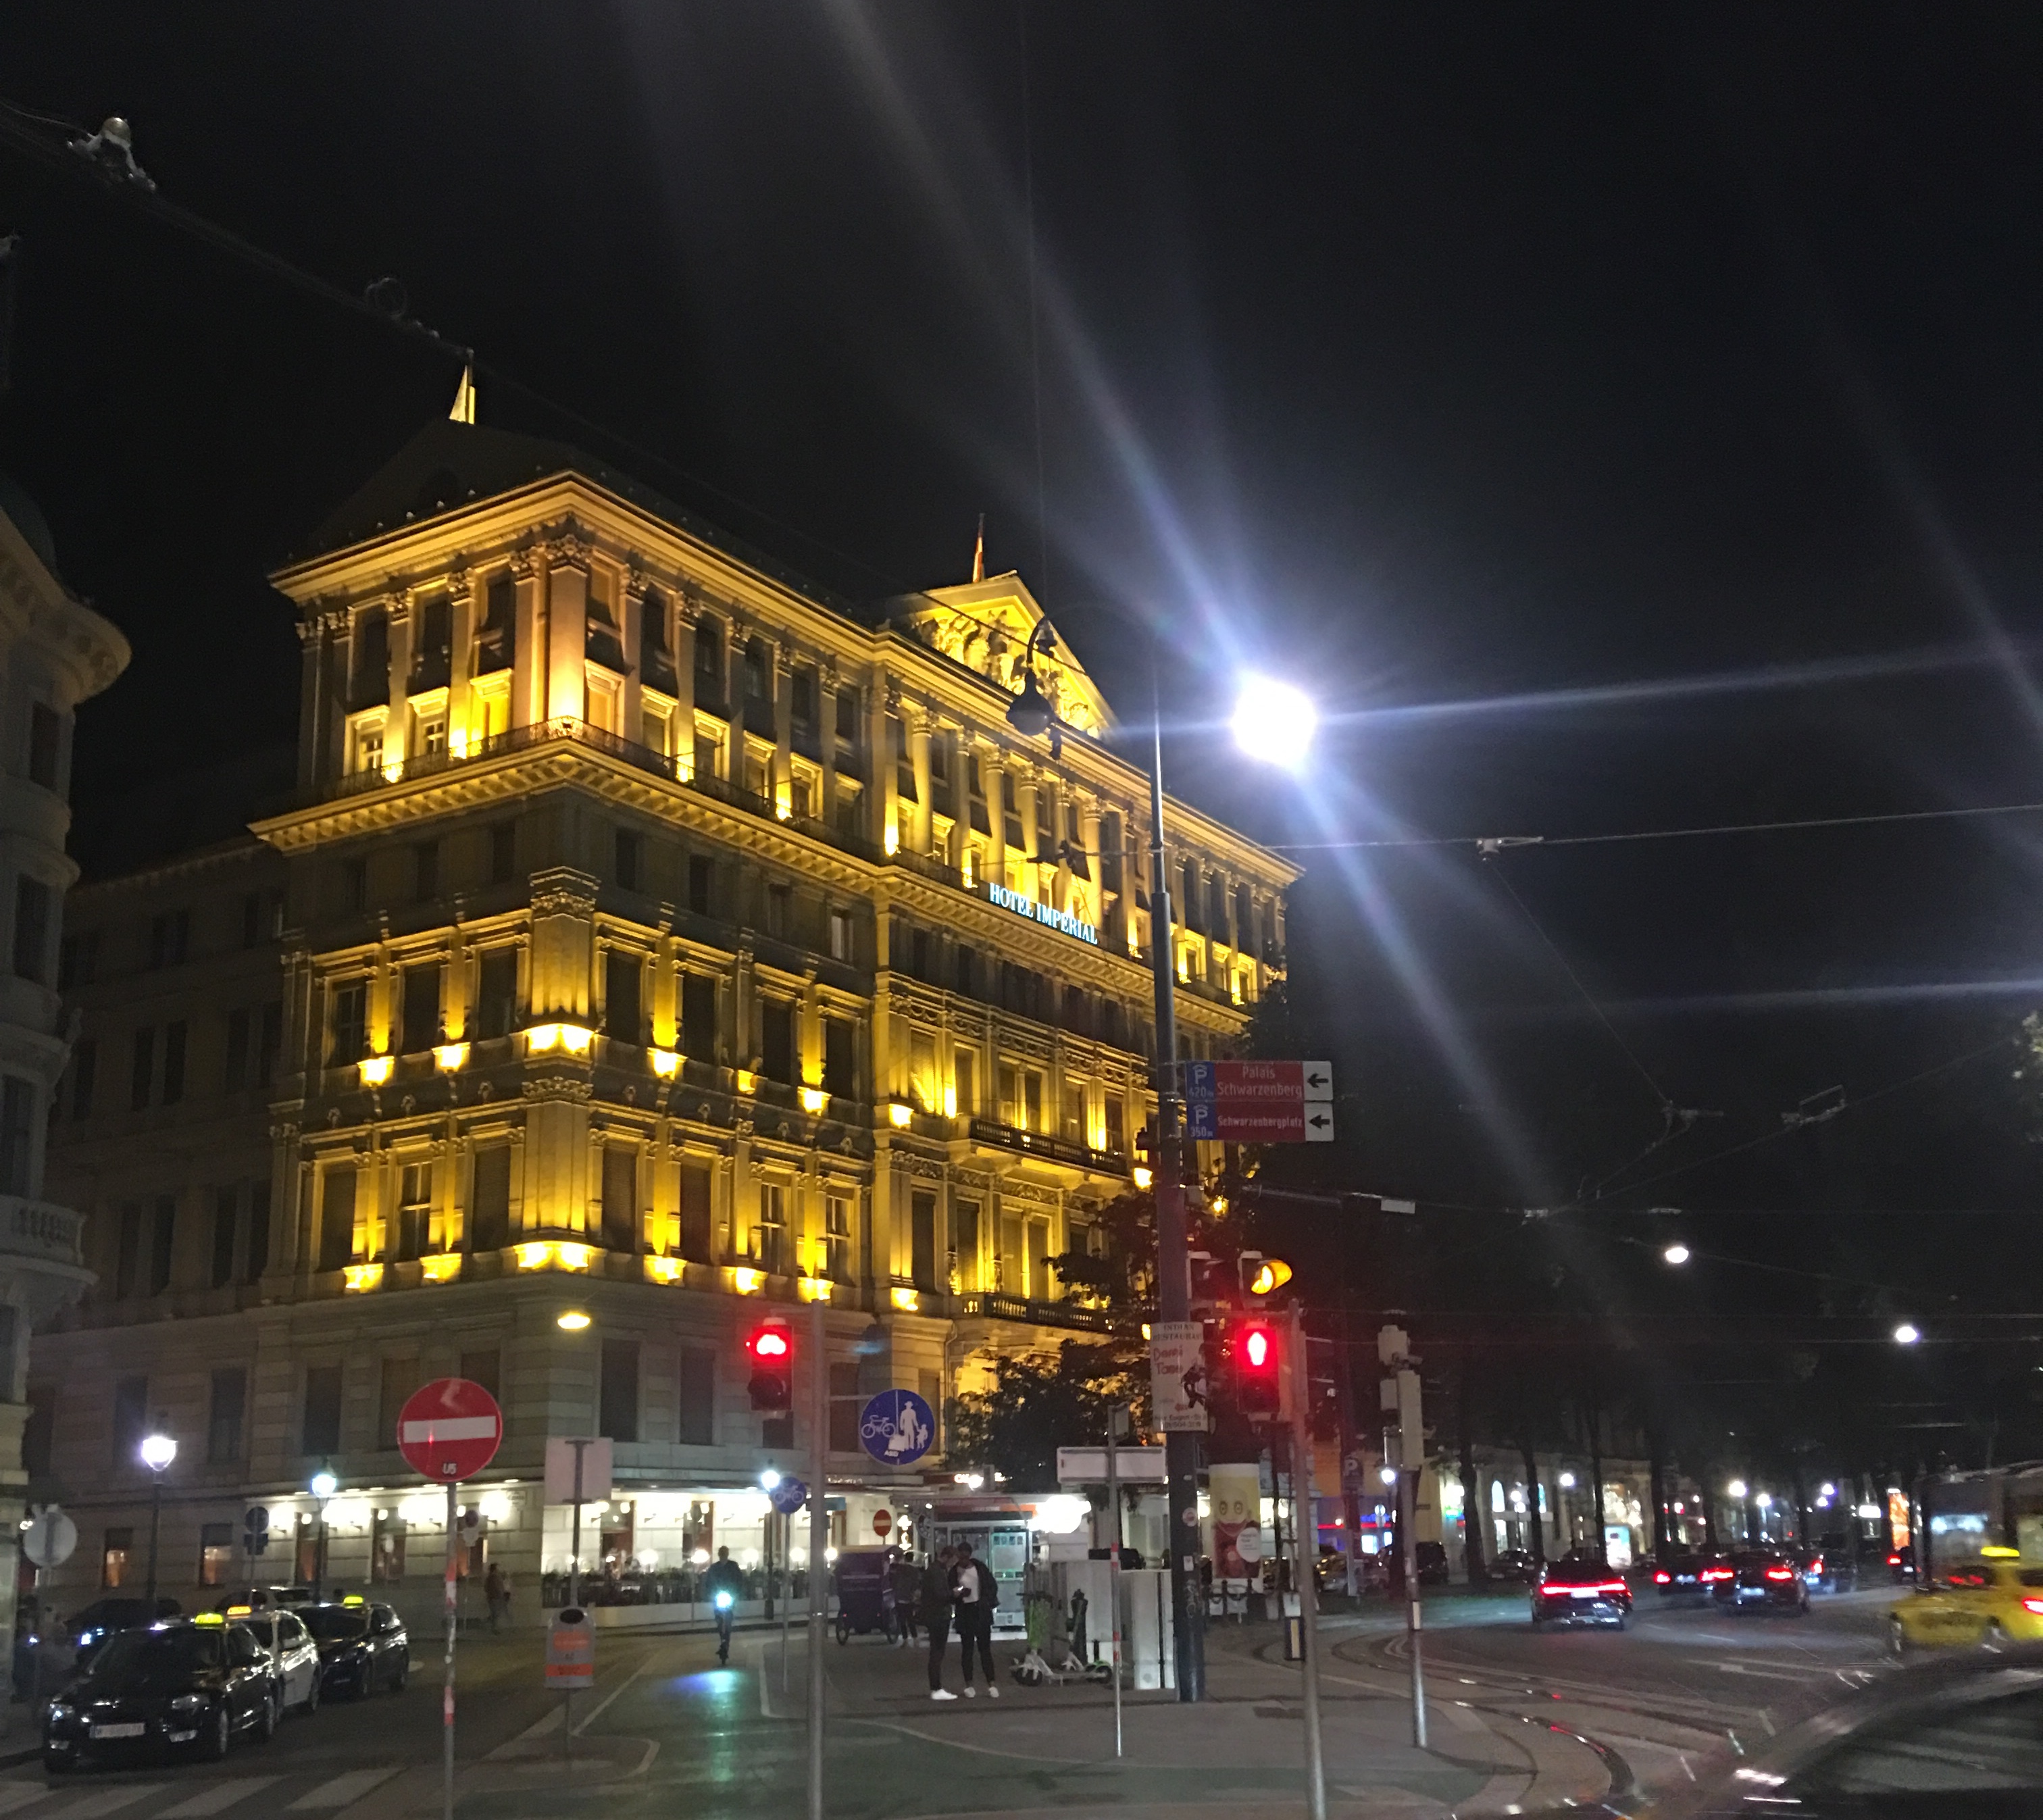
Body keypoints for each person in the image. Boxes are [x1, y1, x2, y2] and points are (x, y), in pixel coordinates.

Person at [950, 1540, 999, 1697]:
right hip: (965, 1612)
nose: (963, 1561)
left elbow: (992, 1585)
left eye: (965, 1558)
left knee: (985, 1650)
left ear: (970, 1556)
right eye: (961, 1558)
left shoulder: (980, 1568)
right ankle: (969, 1685)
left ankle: (991, 1684)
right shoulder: (954, 1572)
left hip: (980, 1610)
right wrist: (958, 1594)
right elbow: (950, 1592)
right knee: (967, 1650)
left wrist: (986, 1600)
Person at [921, 1546, 957, 1700]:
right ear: (947, 1557)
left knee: (936, 1652)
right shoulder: (937, 1572)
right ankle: (936, 1688)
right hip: (938, 1616)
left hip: (934, 1615)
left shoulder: (933, 1570)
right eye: (953, 1560)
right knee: (937, 1652)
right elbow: (940, 1595)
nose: (953, 1564)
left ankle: (936, 1687)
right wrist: (953, 1593)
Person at [705, 1546, 745, 1665]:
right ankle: (722, 1640)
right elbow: (709, 1583)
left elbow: (739, 1581)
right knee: (719, 1621)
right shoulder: (714, 1568)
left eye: (724, 1553)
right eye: (722, 1553)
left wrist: (736, 1593)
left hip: (730, 1597)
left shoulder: (733, 1566)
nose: (723, 1555)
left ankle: (726, 1644)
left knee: (728, 1622)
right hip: (718, 1597)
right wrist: (711, 1594)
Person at [890, 1551, 923, 1647]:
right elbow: (917, 1584)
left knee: (902, 1620)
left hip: (900, 1597)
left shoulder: (899, 1570)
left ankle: (905, 1640)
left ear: (905, 1558)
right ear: (912, 1559)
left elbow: (894, 1582)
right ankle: (915, 1639)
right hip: (910, 1598)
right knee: (911, 1620)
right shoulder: (914, 1571)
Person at [484, 1563, 507, 1634]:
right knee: (495, 1613)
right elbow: (497, 1587)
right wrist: (500, 1594)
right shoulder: (494, 1578)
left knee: (495, 1613)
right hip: (495, 1597)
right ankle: (493, 1627)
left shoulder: (492, 1577)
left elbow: (486, 1588)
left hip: (494, 1597)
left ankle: (491, 1625)